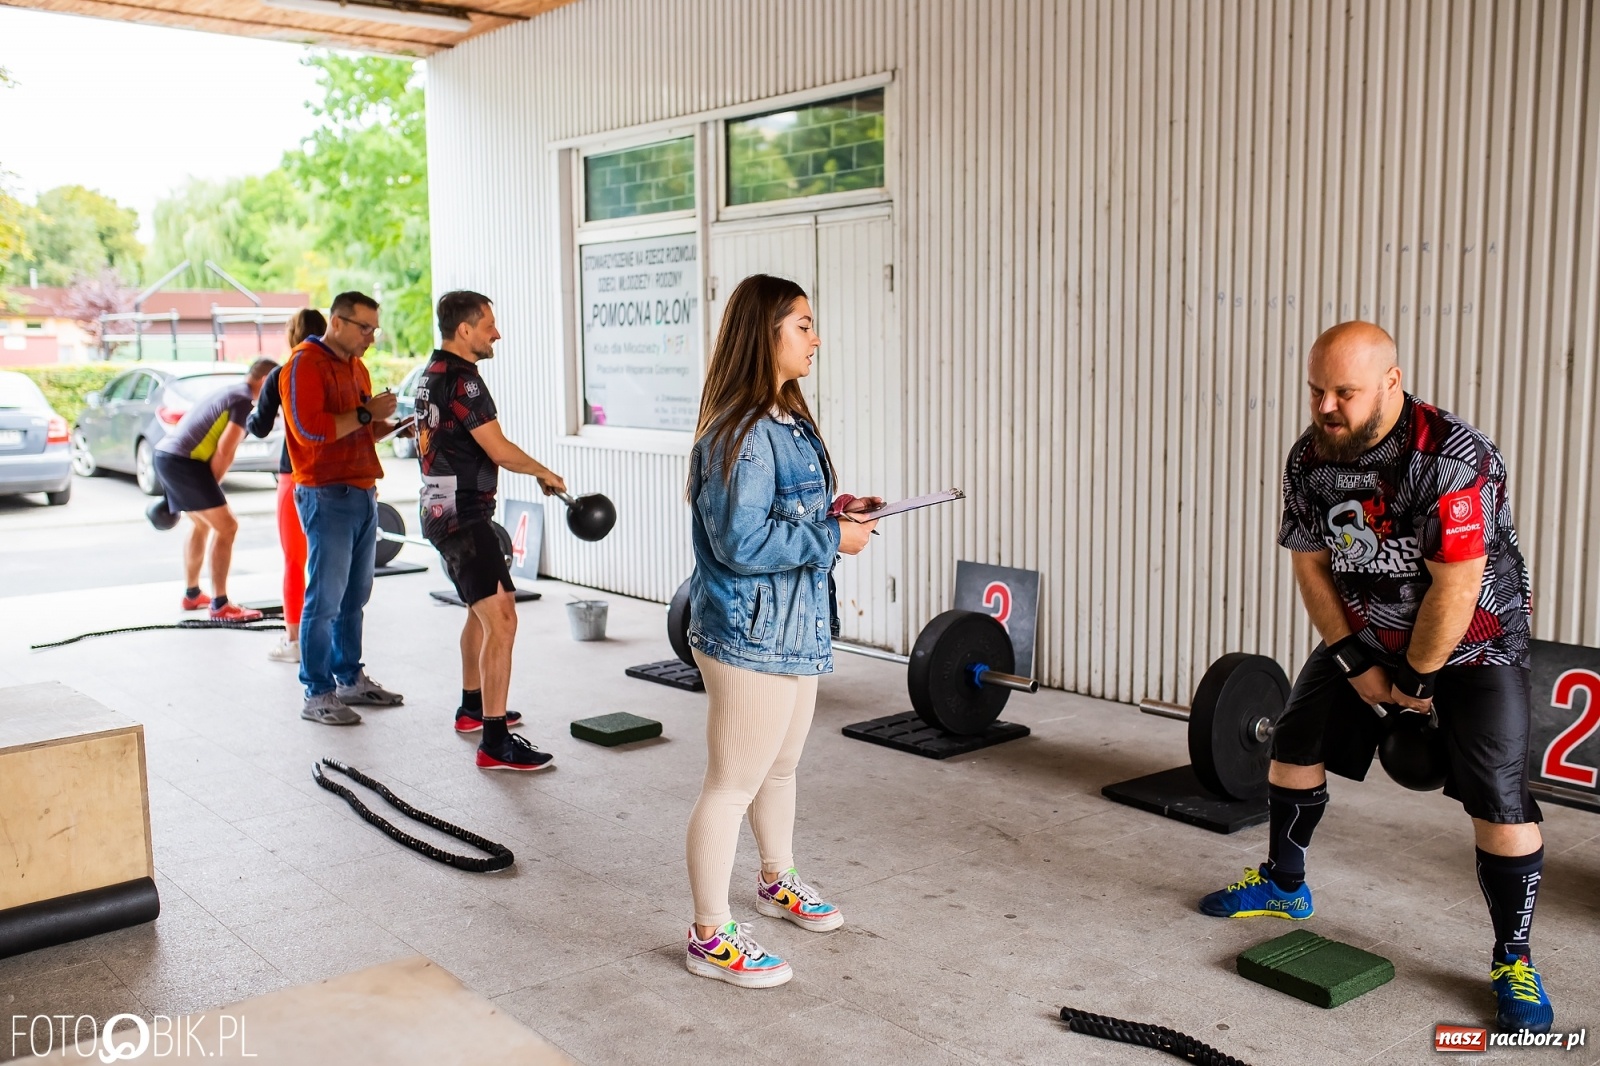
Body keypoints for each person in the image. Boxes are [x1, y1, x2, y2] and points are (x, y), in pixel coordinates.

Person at [1197, 321, 1554, 1034]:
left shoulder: (1453, 458)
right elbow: (1310, 565)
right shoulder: (1312, 458)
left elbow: (1456, 589)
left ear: (1392, 383)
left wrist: (1417, 686)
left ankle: (1514, 958)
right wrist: (1356, 662)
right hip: (1372, 633)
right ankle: (1284, 883)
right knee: (1294, 747)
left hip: (1474, 644)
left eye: (1345, 393)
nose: (1326, 406)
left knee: (1500, 803)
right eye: (1316, 390)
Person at [681, 274, 879, 989]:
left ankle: (775, 880)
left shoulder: (787, 418)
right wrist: (833, 541)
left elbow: (787, 514)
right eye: (802, 324)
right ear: (765, 333)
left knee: (782, 767)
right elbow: (740, 542)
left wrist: (839, 510)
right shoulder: (742, 432)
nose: (814, 338)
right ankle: (709, 936)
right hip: (749, 632)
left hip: (794, 625)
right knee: (732, 784)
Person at [417, 290, 565, 769]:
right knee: (503, 619)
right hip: (463, 515)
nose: (495, 333)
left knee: (480, 611)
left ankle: (472, 708)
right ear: (465, 330)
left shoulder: (430, 376)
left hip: (441, 510)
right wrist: (544, 472)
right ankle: (495, 743)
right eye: (488, 326)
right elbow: (497, 449)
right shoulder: (465, 381)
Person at [282, 291, 404, 726]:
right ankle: (317, 692)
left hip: (362, 491)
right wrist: (368, 415)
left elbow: (360, 429)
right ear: (336, 323)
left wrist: (397, 426)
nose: (371, 335)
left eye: (374, 328)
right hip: (326, 494)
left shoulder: (357, 367)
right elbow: (311, 429)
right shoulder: (302, 365)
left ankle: (349, 678)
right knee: (326, 598)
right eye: (364, 327)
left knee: (356, 595)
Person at [154, 358, 276, 622]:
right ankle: (220, 604)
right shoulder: (243, 402)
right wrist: (211, 487)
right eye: (275, 384)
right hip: (184, 462)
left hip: (168, 456)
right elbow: (225, 449)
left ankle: (192, 593)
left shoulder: (232, 392)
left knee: (202, 525)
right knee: (227, 526)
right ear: (266, 381)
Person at [247, 309, 325, 663]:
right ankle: (329, 640)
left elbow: (259, 427)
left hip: (294, 472)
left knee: (296, 560)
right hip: (335, 474)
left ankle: (293, 640)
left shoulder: (283, 373)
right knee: (331, 563)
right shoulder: (337, 369)